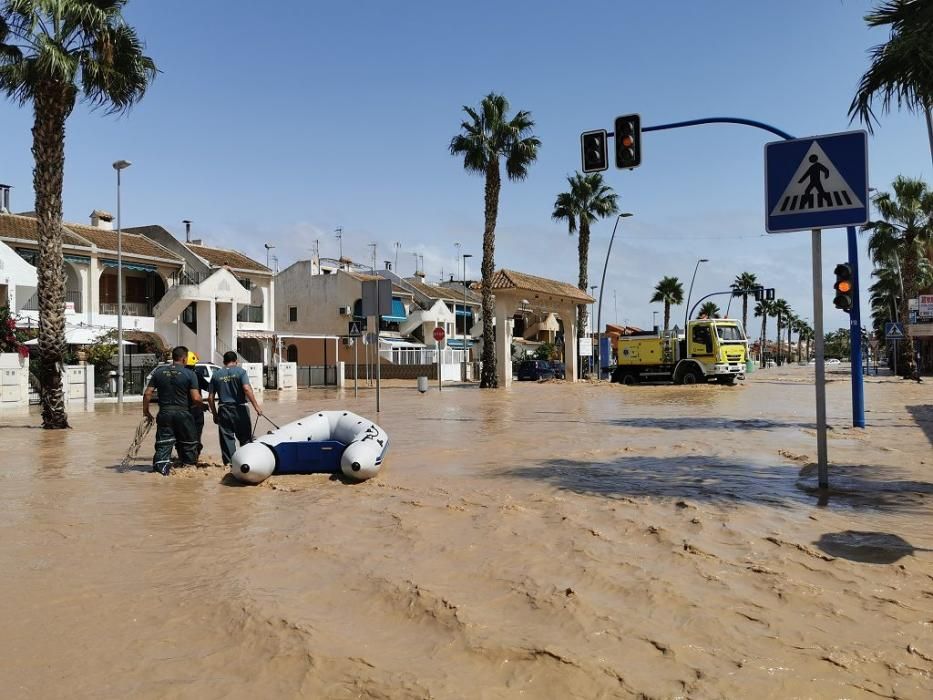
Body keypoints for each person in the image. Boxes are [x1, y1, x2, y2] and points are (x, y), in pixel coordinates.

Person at [143, 346, 202, 476]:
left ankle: (161, 469)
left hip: (164, 413)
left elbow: (147, 394)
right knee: (189, 443)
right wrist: (203, 406)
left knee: (164, 443)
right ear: (184, 358)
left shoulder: (159, 372)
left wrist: (146, 412)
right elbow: (196, 398)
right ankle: (188, 467)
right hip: (183, 414)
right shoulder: (190, 374)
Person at [208, 351, 263, 465]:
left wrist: (214, 414)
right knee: (245, 438)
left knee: (227, 439)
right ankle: (246, 463)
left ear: (224, 362)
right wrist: (256, 407)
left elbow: (210, 398)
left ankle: (229, 464)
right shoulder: (241, 372)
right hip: (240, 409)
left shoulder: (216, 374)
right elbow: (247, 389)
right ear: (236, 361)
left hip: (223, 410)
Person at [185, 350, 209, 461]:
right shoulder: (196, 375)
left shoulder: (178, 374)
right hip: (195, 409)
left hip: (181, 410)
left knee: (182, 435)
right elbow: (208, 387)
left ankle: (184, 457)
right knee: (196, 435)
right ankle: (195, 456)